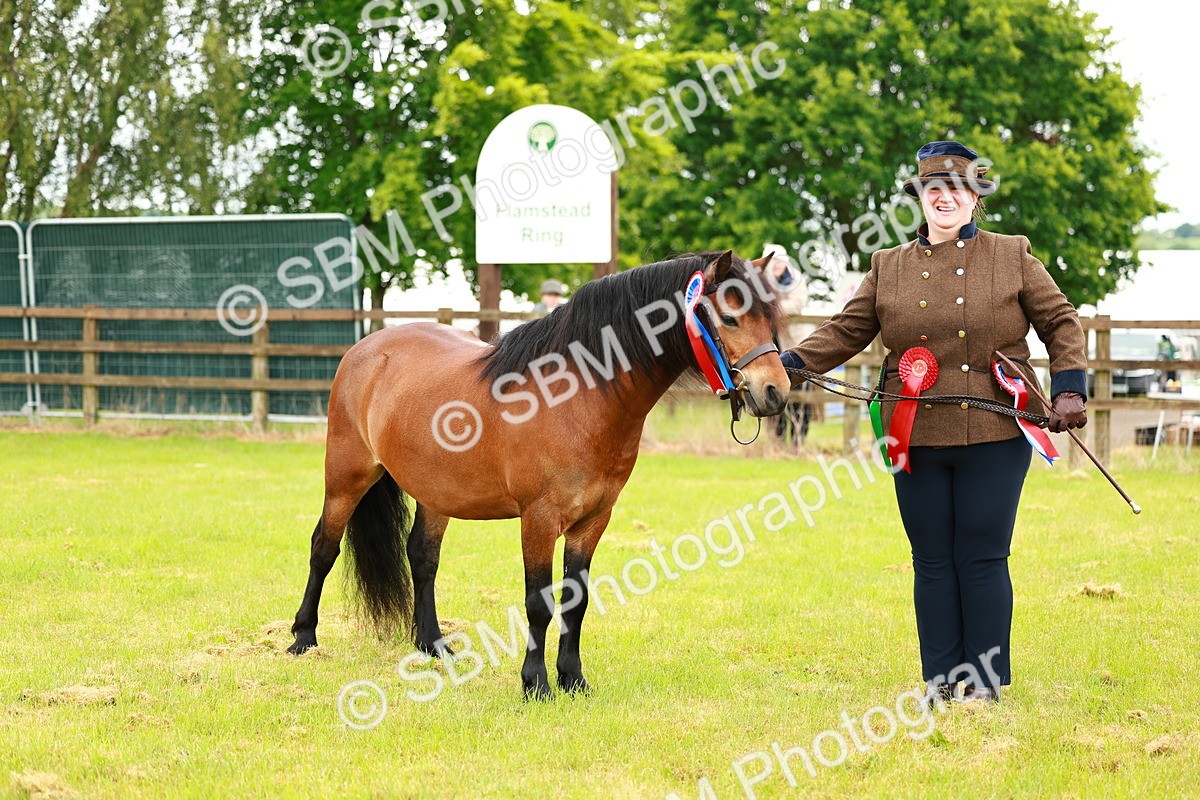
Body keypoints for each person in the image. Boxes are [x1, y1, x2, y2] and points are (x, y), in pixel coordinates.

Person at [780, 141, 1089, 706]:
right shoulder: (886, 265)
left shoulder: (1012, 254)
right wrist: (789, 366)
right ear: (920, 198)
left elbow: (1062, 322)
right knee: (932, 560)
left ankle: (987, 682)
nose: (945, 198)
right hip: (914, 435)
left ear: (975, 198)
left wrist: (1069, 387)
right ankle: (941, 680)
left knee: (981, 555)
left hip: (995, 435)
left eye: (958, 188)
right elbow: (846, 330)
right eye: (934, 189)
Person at [762, 244, 814, 447]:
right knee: (775, 395)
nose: (776, 267)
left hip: (794, 342)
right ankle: (777, 441)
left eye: (778, 262)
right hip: (772, 343)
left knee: (800, 396)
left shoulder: (795, 280)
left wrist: (771, 308)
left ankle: (798, 442)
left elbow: (797, 304)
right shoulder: (763, 283)